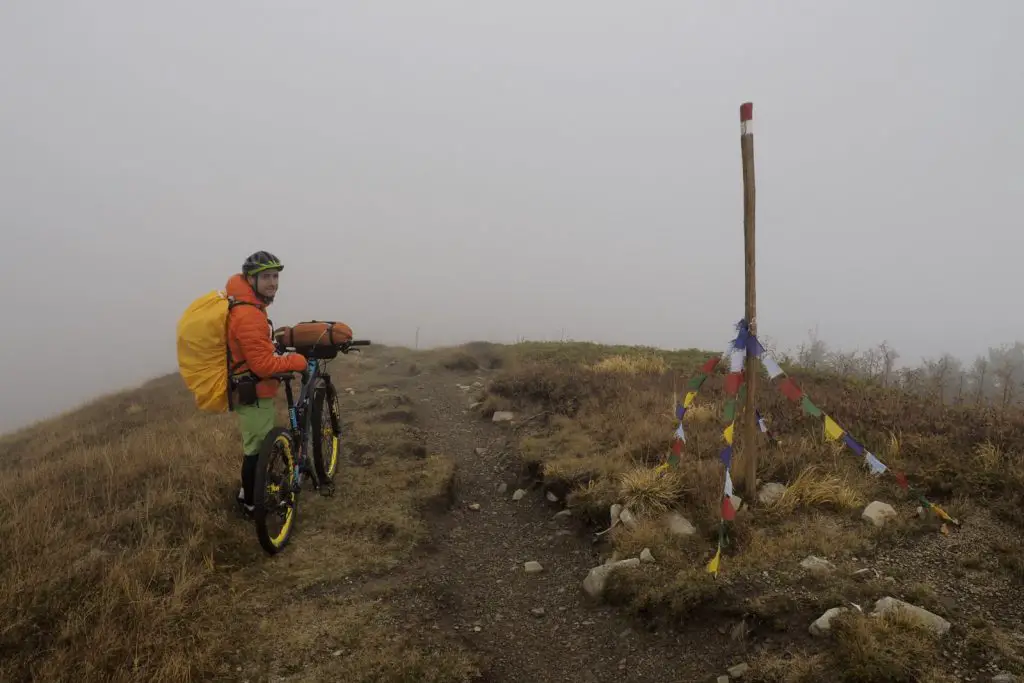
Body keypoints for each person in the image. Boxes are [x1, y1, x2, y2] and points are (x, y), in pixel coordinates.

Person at [226, 251, 308, 515]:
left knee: (254, 446)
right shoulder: (248, 314)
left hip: (250, 389)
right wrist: (297, 361)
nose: (273, 282)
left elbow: (256, 353)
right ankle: (252, 504)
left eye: (275, 276)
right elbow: (262, 366)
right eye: (266, 277)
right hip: (254, 391)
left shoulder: (249, 307)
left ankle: (246, 496)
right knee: (258, 451)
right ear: (251, 279)